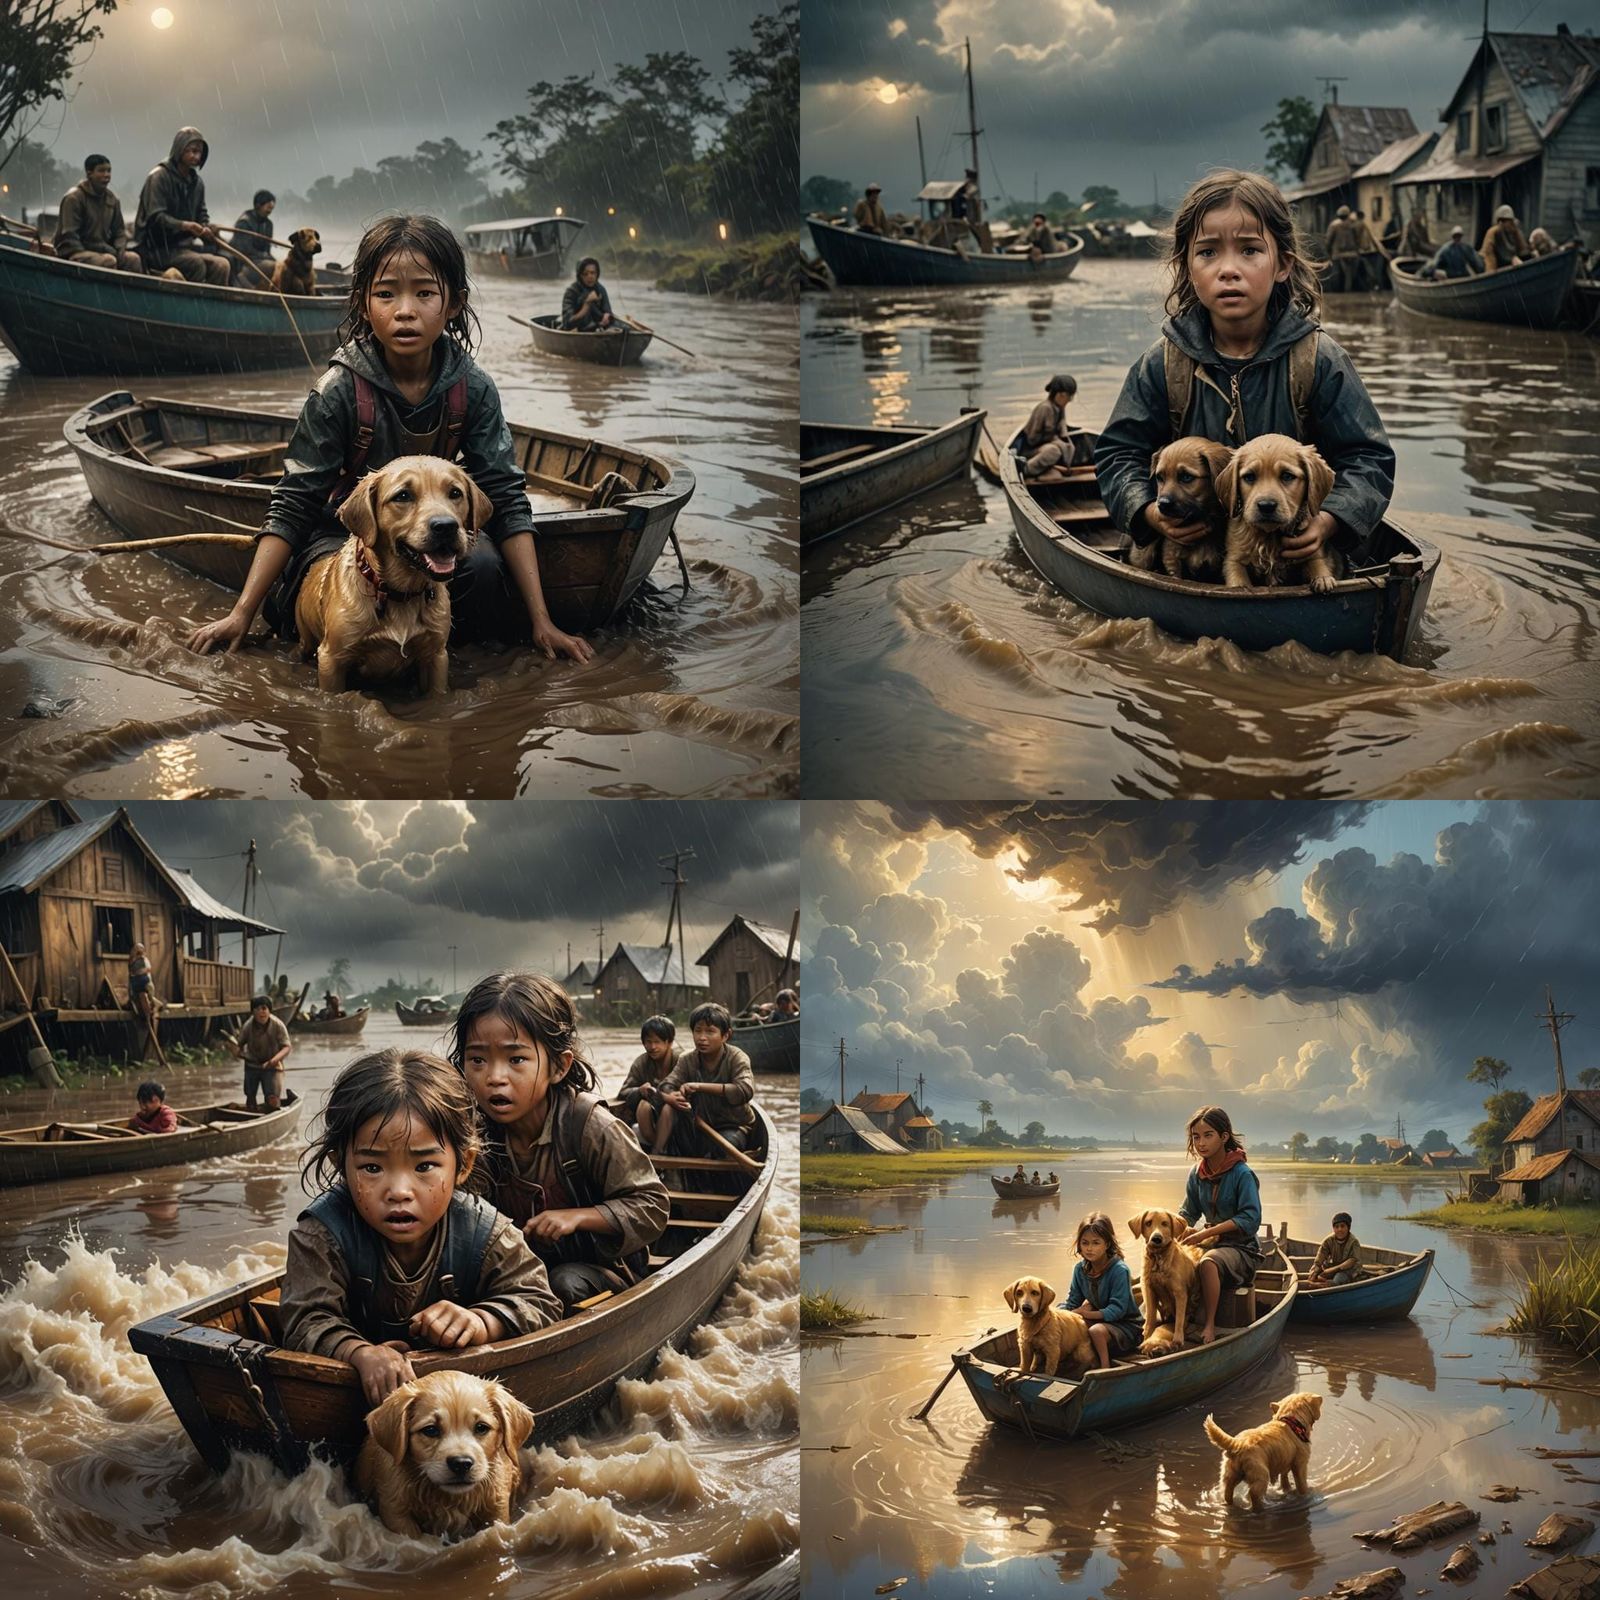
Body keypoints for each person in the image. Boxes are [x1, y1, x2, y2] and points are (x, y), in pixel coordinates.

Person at [185, 214, 593, 663]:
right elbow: (294, 503)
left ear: (453, 303)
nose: (404, 310)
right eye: (386, 294)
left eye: (424, 293)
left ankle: (436, 656)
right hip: (339, 535)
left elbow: (505, 497)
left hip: (433, 538)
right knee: (318, 595)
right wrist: (242, 613)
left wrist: (542, 620)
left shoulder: (472, 389)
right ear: (363, 304)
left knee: (481, 566)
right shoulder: (337, 392)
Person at [1094, 169, 1395, 575]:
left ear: (1283, 265)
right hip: (1190, 555)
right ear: (1186, 267)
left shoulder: (1319, 360)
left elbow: (1368, 458)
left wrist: (1330, 521)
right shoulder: (1162, 364)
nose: (1228, 269)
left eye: (1250, 250)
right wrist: (1147, 512)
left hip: (1289, 554)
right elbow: (1118, 454)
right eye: (1207, 253)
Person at [279, 1047, 562, 1404]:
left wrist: (481, 1322)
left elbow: (541, 1302)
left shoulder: (485, 1230)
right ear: (342, 1165)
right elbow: (303, 1320)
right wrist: (358, 1353)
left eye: (425, 1166)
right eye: (372, 1168)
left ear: (463, 1165)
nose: (399, 1192)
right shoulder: (321, 1234)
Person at [451, 973, 668, 1311]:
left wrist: (578, 1217)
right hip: (514, 1272)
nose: (494, 1077)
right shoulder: (470, 1133)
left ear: (558, 1066)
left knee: (562, 1284)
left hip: (598, 1273)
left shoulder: (591, 1126)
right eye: (477, 1060)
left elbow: (653, 1207)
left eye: (516, 1059)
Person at [1175, 1105, 1262, 1345]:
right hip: (1211, 1242)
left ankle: (1210, 1324)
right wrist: (1168, 1230)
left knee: (1208, 1262)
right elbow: (1188, 1213)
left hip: (1242, 1249)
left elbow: (1250, 1219)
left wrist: (1207, 1233)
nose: (1200, 1143)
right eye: (1195, 1137)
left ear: (1224, 1137)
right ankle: (1170, 1322)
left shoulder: (1242, 1174)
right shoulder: (1196, 1174)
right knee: (1170, 1260)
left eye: (1208, 1135)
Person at [644, 1002, 757, 1156]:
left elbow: (744, 1091)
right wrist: (672, 1095)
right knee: (669, 1108)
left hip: (733, 1126)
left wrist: (699, 1086)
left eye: (710, 1032)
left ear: (726, 1035)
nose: (702, 1038)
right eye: (698, 1031)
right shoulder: (687, 1059)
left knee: (720, 1151)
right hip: (699, 1123)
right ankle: (657, 1155)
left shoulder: (737, 1058)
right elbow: (667, 1084)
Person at [133, 126, 230, 284]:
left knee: (222, 265)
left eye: (199, 152)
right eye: (191, 150)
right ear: (179, 149)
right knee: (195, 264)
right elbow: (156, 217)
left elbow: (201, 214)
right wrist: (185, 226)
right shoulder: (159, 176)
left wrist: (205, 227)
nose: (196, 156)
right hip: (156, 249)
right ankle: (190, 306)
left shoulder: (197, 183)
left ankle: (211, 306)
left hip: (183, 248)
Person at [1064, 1213, 1143, 1370]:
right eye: (1085, 1243)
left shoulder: (1119, 1270)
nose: (1089, 1248)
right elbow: (1073, 1301)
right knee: (1068, 1324)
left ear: (1107, 1244)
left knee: (1096, 1331)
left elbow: (1117, 1310)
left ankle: (1104, 1367)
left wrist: (1086, 1314)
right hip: (1100, 1320)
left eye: (1096, 1243)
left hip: (1126, 1327)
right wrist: (1060, 1316)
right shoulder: (1080, 1270)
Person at [54, 154, 141, 272]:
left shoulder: (112, 200)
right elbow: (69, 236)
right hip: (74, 253)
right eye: (101, 171)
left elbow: (119, 232)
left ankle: (129, 290)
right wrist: (101, 250)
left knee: (133, 259)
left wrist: (119, 250)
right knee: (108, 261)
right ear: (89, 173)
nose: (106, 175)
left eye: (109, 171)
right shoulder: (74, 198)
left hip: (103, 252)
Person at [616, 1014, 681, 1126]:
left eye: (657, 1042)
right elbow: (623, 1092)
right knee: (643, 1106)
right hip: (653, 1115)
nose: (652, 1047)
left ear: (669, 1042)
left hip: (679, 1115)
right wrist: (639, 1091)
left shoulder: (681, 1060)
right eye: (648, 1042)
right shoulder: (641, 1063)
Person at [236, 995, 291, 1111]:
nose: (262, 1012)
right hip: (252, 1065)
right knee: (250, 1098)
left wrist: (274, 1061)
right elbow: (238, 1045)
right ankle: (251, 1114)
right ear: (253, 1012)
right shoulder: (248, 1026)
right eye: (257, 1009)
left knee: (272, 1099)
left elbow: (287, 1047)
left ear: (269, 1010)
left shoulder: (278, 1025)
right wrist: (237, 1051)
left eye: (264, 1008)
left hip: (273, 1065)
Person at [1022, 374, 1079, 478]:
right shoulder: (1045, 408)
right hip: (1031, 449)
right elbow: (1032, 439)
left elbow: (1062, 429)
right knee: (1054, 451)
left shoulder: (1059, 407)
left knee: (1071, 446)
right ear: (1060, 394)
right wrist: (1056, 441)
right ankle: (1026, 468)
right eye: (1069, 396)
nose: (1070, 400)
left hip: (1046, 445)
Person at [228, 189, 277, 287]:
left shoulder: (268, 225)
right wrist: (264, 256)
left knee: (281, 267)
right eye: (268, 208)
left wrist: (268, 257)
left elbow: (267, 249)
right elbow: (244, 251)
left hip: (259, 260)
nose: (269, 211)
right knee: (273, 267)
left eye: (271, 209)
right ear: (258, 205)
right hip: (243, 264)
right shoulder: (244, 222)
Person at [1307, 1211, 1362, 1286]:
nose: (1339, 1229)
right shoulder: (1328, 1241)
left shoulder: (1354, 1242)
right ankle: (1316, 1283)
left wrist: (1329, 1271)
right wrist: (1315, 1270)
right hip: (1333, 1266)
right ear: (1333, 1228)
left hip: (1350, 1269)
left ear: (1348, 1228)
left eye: (1342, 1226)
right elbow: (1320, 1257)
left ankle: (1319, 1287)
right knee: (1314, 1274)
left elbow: (1351, 1262)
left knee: (1338, 1279)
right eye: (1337, 1227)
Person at [560, 257, 613, 331]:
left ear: (597, 274)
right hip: (577, 330)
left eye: (593, 273)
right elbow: (568, 323)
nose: (590, 277)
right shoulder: (571, 292)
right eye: (585, 274)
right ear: (580, 275)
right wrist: (587, 304)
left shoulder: (600, 289)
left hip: (599, 328)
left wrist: (607, 316)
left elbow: (607, 310)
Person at [1481, 203, 1530, 273]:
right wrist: (1491, 271)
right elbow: (1489, 254)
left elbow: (1523, 251)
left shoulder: (1513, 231)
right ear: (1501, 222)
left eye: (1511, 221)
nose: (1511, 224)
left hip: (1508, 264)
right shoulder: (1493, 232)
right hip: (1492, 264)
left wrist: (1517, 232)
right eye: (1509, 222)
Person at [1324, 205, 1363, 293]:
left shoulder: (1334, 225)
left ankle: (1337, 291)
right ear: (1348, 214)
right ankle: (1349, 290)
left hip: (1337, 254)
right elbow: (1358, 239)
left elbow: (1328, 241)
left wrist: (1328, 251)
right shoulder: (1353, 224)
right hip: (1352, 253)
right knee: (1350, 274)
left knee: (1336, 273)